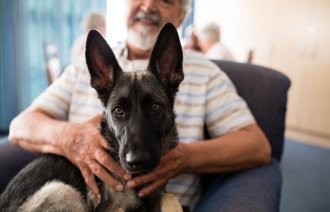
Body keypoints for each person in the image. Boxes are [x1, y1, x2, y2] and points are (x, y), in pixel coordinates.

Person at [4, 0, 278, 211]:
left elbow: (258, 146)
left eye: (164, 0)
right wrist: (71, 138)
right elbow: (19, 127)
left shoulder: (206, 73)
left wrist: (184, 157)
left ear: (182, 16)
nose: (147, 5)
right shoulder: (83, 68)